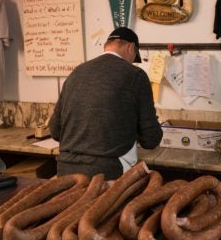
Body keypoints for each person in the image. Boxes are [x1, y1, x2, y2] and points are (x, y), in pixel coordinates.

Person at [50, 27, 162, 179]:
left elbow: (55, 131)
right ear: (130, 48)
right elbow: (151, 139)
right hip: (106, 174)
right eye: (134, 57)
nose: (132, 62)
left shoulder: (76, 72)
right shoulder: (136, 75)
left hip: (65, 172)